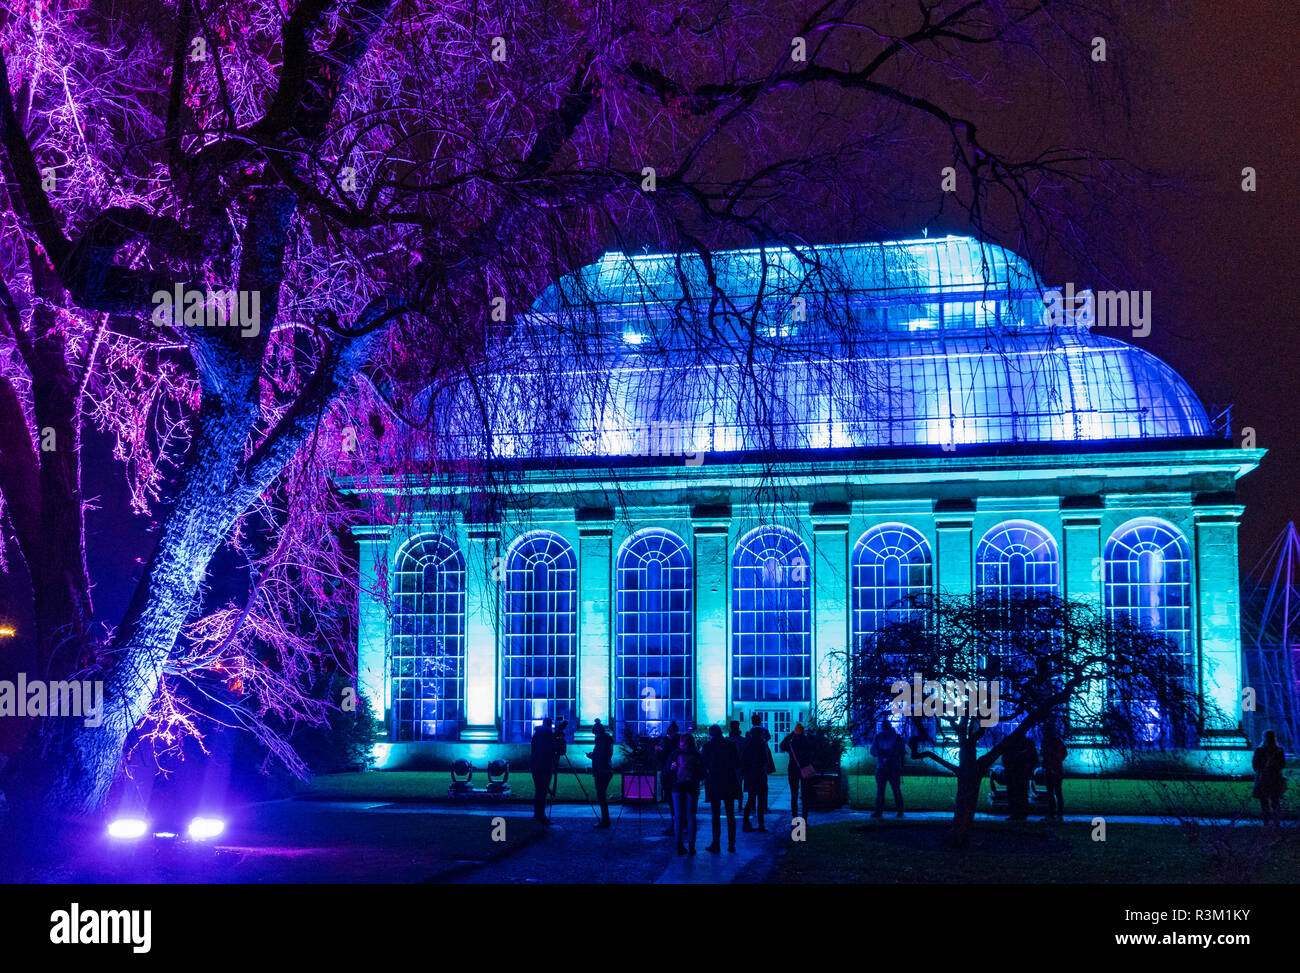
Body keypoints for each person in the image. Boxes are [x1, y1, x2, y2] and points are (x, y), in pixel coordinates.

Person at [702, 724, 742, 852]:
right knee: (730, 814)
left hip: (714, 782)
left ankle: (716, 843)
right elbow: (737, 763)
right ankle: (731, 844)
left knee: (715, 814)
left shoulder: (708, 747)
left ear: (711, 734)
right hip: (729, 781)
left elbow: (704, 765)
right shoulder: (730, 745)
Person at [668, 734, 703, 855]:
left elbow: (667, 771)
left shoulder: (675, 754)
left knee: (678, 816)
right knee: (691, 816)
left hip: (677, 787)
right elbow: (702, 772)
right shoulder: (696, 755)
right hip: (692, 787)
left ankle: (679, 845)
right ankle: (692, 846)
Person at [869, 719, 906, 819]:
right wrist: (880, 753)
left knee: (896, 790)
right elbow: (872, 750)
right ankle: (879, 811)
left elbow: (901, 751)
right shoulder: (878, 737)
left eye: (886, 726)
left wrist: (889, 754)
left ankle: (900, 810)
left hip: (893, 768)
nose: (884, 728)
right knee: (880, 790)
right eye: (883, 726)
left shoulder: (897, 738)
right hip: (882, 767)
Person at [742, 715, 773, 833]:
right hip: (760, 773)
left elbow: (744, 758)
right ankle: (761, 824)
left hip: (750, 774)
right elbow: (765, 759)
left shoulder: (748, 741)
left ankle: (746, 822)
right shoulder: (762, 742)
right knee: (760, 799)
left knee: (750, 799)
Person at [779, 723, 814, 822]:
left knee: (794, 794)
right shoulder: (806, 741)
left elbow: (781, 745)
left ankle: (795, 817)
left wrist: (790, 735)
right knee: (805, 794)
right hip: (804, 769)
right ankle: (805, 818)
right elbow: (813, 749)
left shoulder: (791, 743)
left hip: (793, 769)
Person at [1252, 729, 1287, 826]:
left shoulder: (1260, 750)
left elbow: (1255, 765)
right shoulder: (1278, 750)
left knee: (1264, 801)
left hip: (1263, 777)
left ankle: (1266, 822)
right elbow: (1282, 765)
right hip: (1275, 777)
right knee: (1275, 801)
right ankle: (1276, 821)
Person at [1001, 733, 1038, 822]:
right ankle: (1019, 813)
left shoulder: (1013, 743)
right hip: (1018, 772)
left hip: (1018, 772)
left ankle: (1018, 813)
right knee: (1019, 793)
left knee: (1018, 793)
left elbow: (1005, 757)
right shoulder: (1026, 743)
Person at [655, 720, 680, 835]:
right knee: (677, 800)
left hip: (670, 775)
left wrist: (660, 751)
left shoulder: (669, 743)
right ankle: (680, 823)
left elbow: (663, 757)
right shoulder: (680, 742)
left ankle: (675, 824)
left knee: (672, 800)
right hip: (675, 774)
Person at [588, 719, 614, 829]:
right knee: (602, 795)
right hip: (607, 770)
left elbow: (600, 756)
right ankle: (605, 819)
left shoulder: (601, 740)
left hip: (601, 771)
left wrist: (592, 756)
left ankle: (605, 820)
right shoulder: (608, 739)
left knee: (601, 796)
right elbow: (605, 754)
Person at [1040, 723, 1068, 821]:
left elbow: (1061, 753)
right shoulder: (1054, 742)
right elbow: (1064, 753)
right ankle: (1056, 813)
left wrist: (1053, 761)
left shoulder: (1052, 742)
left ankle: (1055, 813)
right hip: (1053, 769)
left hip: (1054, 769)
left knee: (1054, 792)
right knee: (1054, 792)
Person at [529, 717, 555, 823]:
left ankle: (537, 813)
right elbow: (555, 749)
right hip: (545, 765)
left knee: (539, 790)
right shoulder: (548, 735)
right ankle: (541, 815)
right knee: (543, 791)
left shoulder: (537, 735)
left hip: (536, 766)